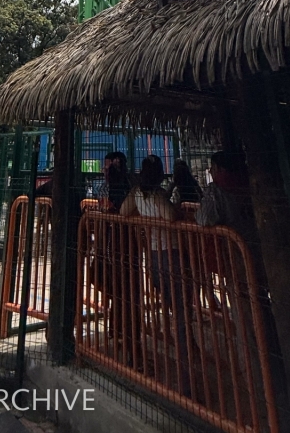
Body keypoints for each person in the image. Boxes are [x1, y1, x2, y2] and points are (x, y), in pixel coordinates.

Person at [121, 155, 192, 397]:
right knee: (180, 308)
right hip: (169, 253)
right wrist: (178, 211)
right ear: (160, 173)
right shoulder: (158, 195)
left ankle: (182, 340)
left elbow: (123, 211)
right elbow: (170, 216)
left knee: (171, 301)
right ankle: (186, 366)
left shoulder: (138, 193)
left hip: (151, 255)